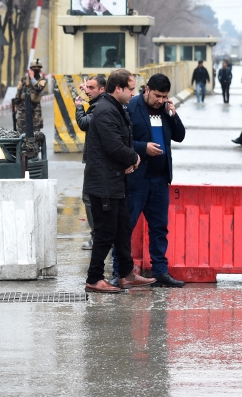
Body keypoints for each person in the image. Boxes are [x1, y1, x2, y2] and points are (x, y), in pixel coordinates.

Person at [83, 69, 154, 293]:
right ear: (118, 88)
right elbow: (113, 145)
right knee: (105, 233)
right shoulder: (105, 111)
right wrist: (134, 157)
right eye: (131, 88)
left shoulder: (116, 108)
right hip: (104, 184)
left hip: (115, 181)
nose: (134, 92)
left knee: (123, 229)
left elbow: (123, 141)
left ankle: (126, 274)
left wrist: (131, 159)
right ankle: (94, 278)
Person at [118, 73, 186, 287]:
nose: (160, 100)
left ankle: (160, 272)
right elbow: (121, 140)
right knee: (125, 227)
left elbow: (180, 136)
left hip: (159, 179)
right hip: (137, 178)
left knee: (159, 228)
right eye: (157, 95)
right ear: (146, 90)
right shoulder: (131, 107)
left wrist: (173, 115)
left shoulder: (165, 110)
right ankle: (121, 272)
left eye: (164, 96)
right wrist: (143, 148)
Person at [75, 75, 106, 250]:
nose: (87, 90)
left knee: (90, 199)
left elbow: (84, 123)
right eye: (87, 87)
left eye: (91, 88)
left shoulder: (100, 106)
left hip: (97, 162)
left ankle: (97, 238)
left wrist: (79, 107)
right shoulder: (102, 103)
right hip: (98, 160)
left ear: (102, 89)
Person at [14, 59, 47, 134]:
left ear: (40, 69)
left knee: (36, 130)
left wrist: (32, 78)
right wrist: (15, 105)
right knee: (22, 129)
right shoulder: (24, 80)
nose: (35, 69)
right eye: (34, 67)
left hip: (35, 109)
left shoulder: (42, 80)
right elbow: (18, 92)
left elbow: (38, 88)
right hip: (23, 107)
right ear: (31, 68)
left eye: (37, 67)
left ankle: (35, 145)